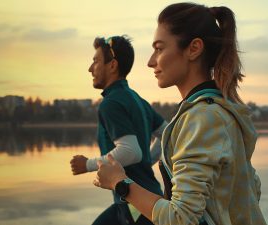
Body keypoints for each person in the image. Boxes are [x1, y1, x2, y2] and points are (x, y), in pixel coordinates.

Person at [93, 3, 266, 225]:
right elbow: (251, 189)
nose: (150, 61)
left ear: (194, 48)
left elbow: (180, 218)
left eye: (159, 48)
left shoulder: (203, 118)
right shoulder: (221, 110)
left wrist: (120, 183)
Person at [70, 35, 167, 225]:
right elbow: (166, 134)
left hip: (136, 207)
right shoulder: (137, 100)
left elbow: (130, 151)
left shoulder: (111, 103)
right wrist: (148, 159)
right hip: (150, 197)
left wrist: (87, 164)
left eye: (96, 61)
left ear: (112, 65)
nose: (90, 69)